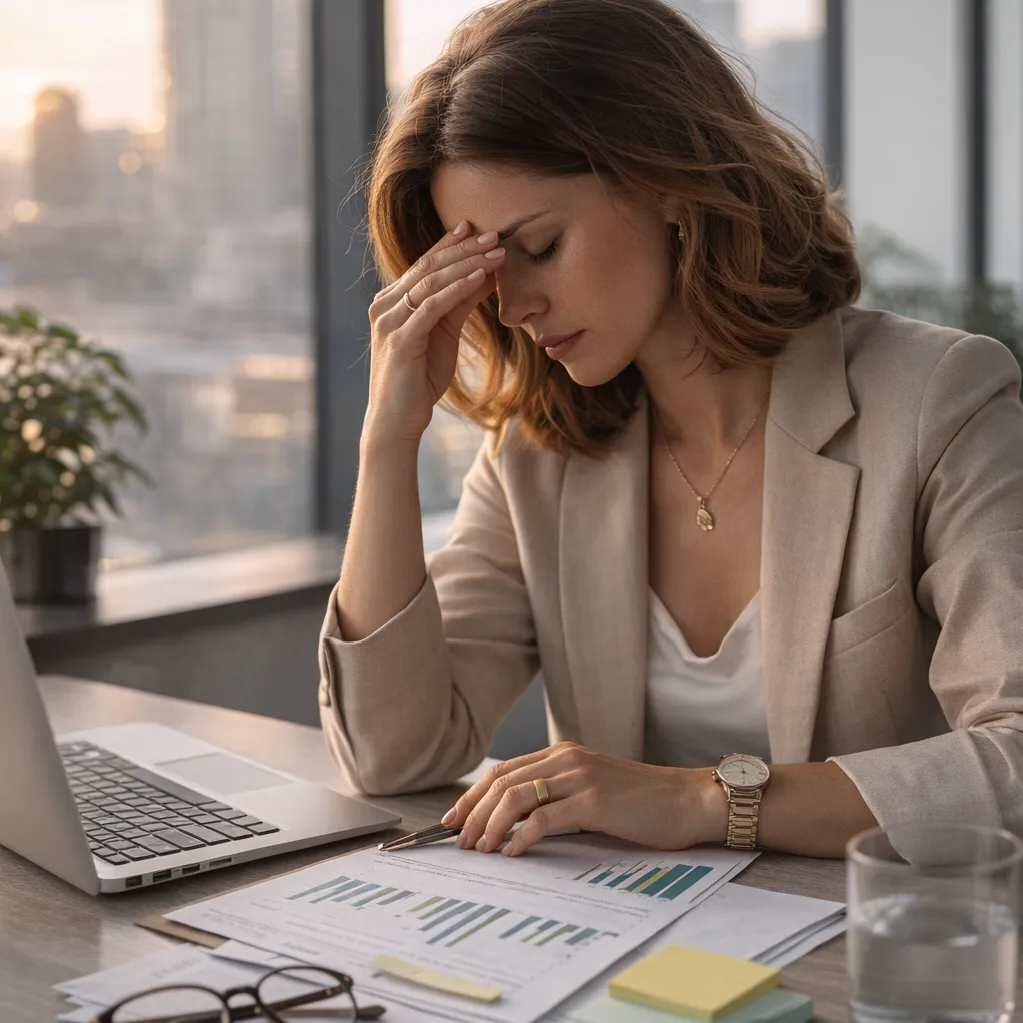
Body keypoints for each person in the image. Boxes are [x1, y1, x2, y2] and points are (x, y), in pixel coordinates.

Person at [317, 0, 1023, 860]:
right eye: (486, 274)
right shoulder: (537, 458)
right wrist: (386, 441)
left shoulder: (935, 401)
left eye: (537, 246)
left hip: (865, 959)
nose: (510, 306)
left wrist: (702, 801)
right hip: (624, 960)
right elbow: (393, 758)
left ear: (666, 184)